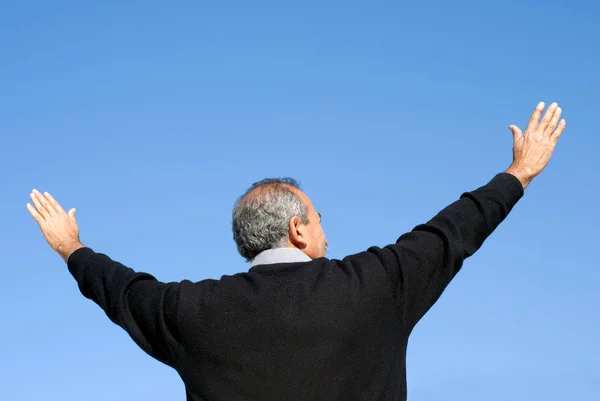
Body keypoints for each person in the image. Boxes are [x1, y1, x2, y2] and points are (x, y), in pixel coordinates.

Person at [27, 102, 565, 401]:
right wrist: (519, 172)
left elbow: (122, 290)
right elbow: (453, 232)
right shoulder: (376, 285)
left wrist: (69, 246)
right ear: (299, 231)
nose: (326, 231)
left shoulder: (190, 314)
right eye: (320, 219)